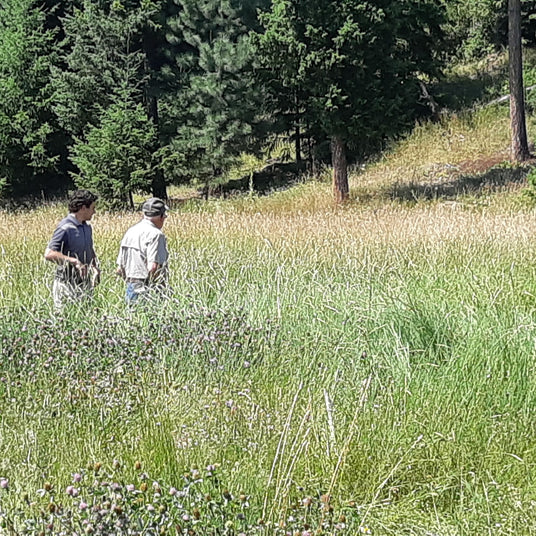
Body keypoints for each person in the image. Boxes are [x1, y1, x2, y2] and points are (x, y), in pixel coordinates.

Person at [44, 190, 100, 309]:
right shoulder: (65, 227)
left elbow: (89, 248)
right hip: (66, 285)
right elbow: (49, 254)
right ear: (83, 208)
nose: (94, 212)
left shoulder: (87, 227)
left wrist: (95, 267)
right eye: (92, 208)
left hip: (85, 285)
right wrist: (74, 261)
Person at [116, 197, 169, 304]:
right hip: (146, 289)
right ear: (161, 217)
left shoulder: (130, 231)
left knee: (132, 313)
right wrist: (160, 291)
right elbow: (153, 267)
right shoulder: (156, 234)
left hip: (130, 287)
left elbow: (119, 269)